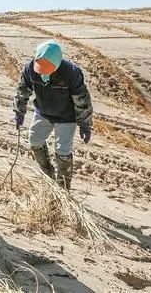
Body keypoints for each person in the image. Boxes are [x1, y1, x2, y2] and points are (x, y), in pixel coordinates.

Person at [13, 40, 93, 190]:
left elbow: (82, 101)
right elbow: (22, 90)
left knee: (63, 151)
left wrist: (85, 124)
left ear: (57, 63)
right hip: (43, 113)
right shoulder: (30, 69)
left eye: (47, 68)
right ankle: (47, 175)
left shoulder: (71, 73)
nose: (42, 71)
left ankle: (63, 188)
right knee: (34, 140)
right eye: (40, 67)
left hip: (66, 117)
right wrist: (19, 111)